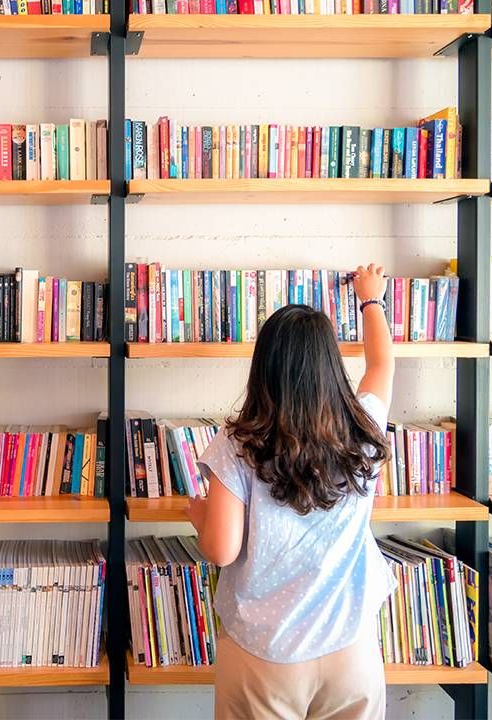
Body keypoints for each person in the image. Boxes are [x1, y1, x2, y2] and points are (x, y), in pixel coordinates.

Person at [186, 263, 396, 720]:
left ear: (264, 369)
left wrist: (197, 513)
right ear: (331, 366)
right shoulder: (364, 428)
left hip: (266, 651)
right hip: (351, 647)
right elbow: (382, 364)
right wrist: (371, 300)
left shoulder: (238, 444)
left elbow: (221, 550)